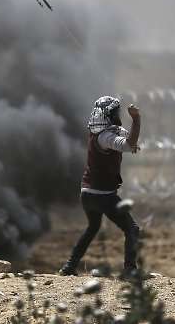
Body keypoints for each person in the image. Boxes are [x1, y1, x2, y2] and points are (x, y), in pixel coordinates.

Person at [59, 96, 141, 276]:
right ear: (110, 115)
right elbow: (129, 144)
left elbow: (126, 137)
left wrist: (131, 139)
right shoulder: (106, 137)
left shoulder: (98, 133)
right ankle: (130, 270)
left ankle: (69, 267)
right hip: (103, 195)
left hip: (86, 193)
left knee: (92, 228)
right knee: (132, 229)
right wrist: (136, 119)